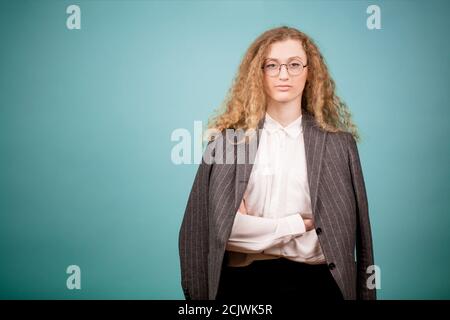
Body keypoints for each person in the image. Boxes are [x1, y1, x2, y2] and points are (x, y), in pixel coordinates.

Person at [178, 26, 376, 300]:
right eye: (272, 65)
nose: (284, 74)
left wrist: (255, 229)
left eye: (294, 64)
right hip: (242, 288)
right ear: (257, 73)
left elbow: (355, 235)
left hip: (320, 286)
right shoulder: (227, 143)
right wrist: (299, 224)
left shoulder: (339, 145)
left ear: (309, 71)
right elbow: (214, 231)